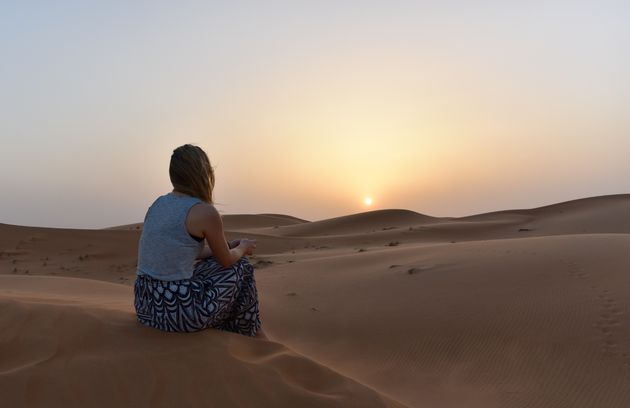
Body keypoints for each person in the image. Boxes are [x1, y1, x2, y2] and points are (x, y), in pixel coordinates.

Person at [134, 144, 266, 338]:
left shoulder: (158, 204)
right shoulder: (204, 211)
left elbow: (187, 252)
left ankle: (240, 328)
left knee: (211, 264)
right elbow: (227, 261)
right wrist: (243, 248)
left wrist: (228, 245)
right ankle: (250, 332)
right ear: (204, 173)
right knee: (242, 266)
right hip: (178, 313)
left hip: (146, 307)